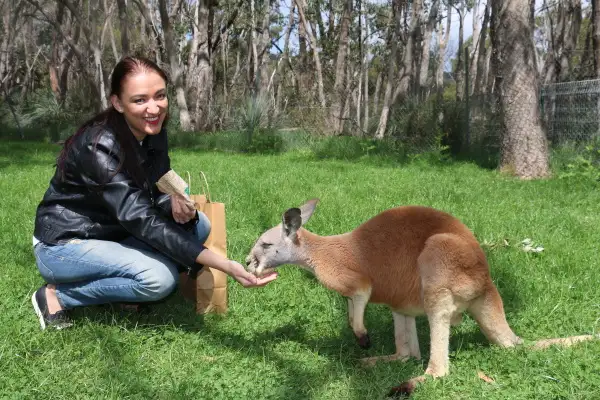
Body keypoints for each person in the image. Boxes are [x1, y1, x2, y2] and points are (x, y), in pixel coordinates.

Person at [31, 56, 277, 330]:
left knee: (199, 226)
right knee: (159, 279)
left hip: (114, 230)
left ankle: (122, 291)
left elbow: (153, 183)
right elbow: (139, 218)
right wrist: (225, 265)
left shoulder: (153, 130)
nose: (154, 108)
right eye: (139, 100)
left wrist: (170, 199)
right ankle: (56, 296)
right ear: (117, 103)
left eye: (160, 96)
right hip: (66, 244)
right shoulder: (98, 146)